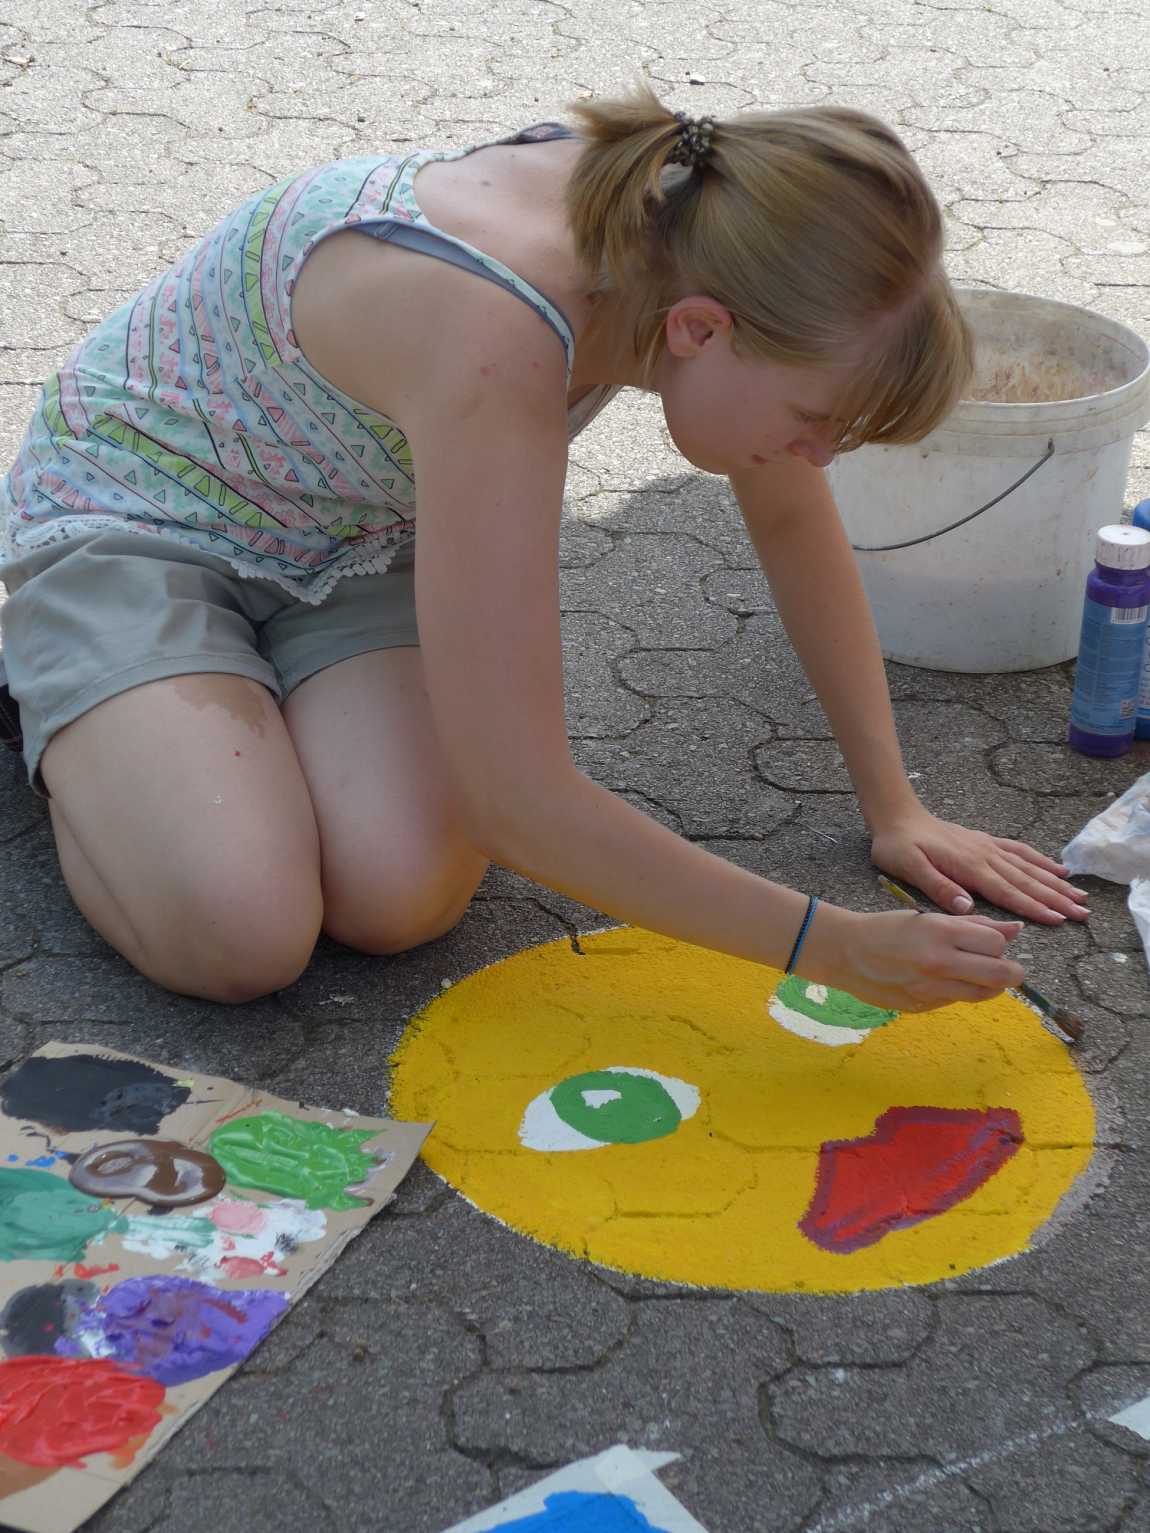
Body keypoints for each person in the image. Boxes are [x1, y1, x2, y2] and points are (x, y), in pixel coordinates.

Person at [0, 83, 1087, 1008]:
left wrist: (895, 807)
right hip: (138, 527)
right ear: (699, 329)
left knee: (398, 897)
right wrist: (831, 948)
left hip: (355, 536)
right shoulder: (493, 331)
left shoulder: (711, 232)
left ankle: (200, 727)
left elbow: (793, 517)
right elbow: (517, 804)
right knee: (241, 934)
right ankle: (65, 704)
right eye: (817, 420)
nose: (819, 455)